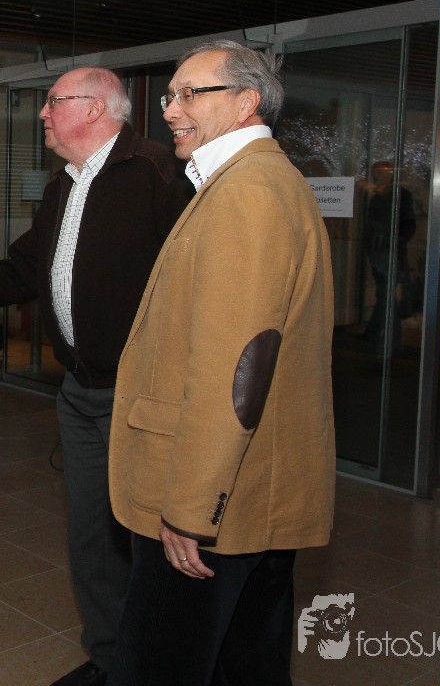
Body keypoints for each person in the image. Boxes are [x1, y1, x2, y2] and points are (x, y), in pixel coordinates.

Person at [0, 67, 191, 686]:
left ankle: (156, 667)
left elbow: (198, 285)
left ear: (96, 109)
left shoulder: (159, 174)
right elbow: (26, 267)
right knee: (92, 537)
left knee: (155, 542)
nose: (43, 113)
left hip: (142, 396)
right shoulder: (63, 185)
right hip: (79, 392)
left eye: (53, 102)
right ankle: (109, 660)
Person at [107, 40, 335, 685]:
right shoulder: (256, 181)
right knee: (248, 665)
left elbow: (236, 366)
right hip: (254, 492)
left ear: (246, 102)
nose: (170, 110)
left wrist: (190, 507)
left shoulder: (247, 194)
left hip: (213, 505)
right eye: (169, 95)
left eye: (190, 93)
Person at [362, 160, 416, 347]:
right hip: (377, 253)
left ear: (391, 174)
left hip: (389, 252)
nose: (377, 177)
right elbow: (369, 227)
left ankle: (382, 335)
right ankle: (386, 336)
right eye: (375, 174)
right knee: (384, 293)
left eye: (381, 173)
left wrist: (394, 242)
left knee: (386, 294)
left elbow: (409, 225)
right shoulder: (376, 196)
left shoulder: (400, 195)